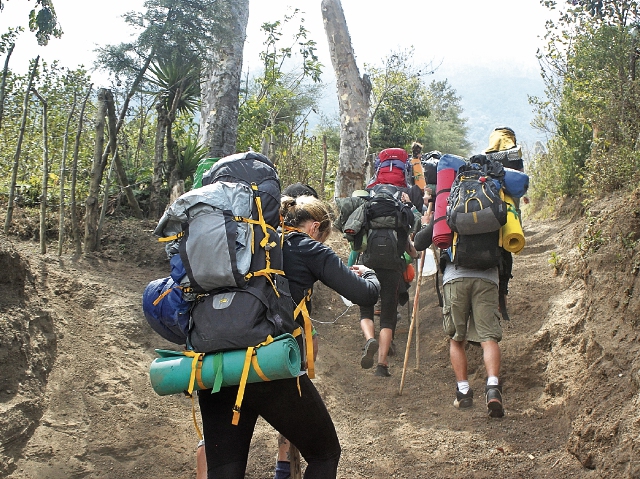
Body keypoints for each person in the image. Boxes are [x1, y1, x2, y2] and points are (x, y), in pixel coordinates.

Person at [196, 194, 380, 478]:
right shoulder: (306, 247)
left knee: (225, 471)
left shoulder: (246, 241)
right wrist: (369, 274)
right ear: (315, 227)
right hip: (269, 364)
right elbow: (364, 293)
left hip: (216, 367)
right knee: (324, 454)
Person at [358, 190, 421, 378]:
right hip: (392, 271)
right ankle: (382, 365)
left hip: (367, 267)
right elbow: (412, 251)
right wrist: (415, 254)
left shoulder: (367, 214)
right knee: (388, 316)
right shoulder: (400, 217)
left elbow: (356, 243)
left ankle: (370, 339)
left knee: (366, 310)